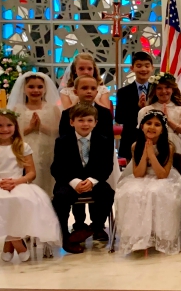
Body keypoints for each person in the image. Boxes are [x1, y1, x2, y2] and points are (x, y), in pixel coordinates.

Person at [0, 108, 62, 262]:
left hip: (17, 184)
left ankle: (10, 242)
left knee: (23, 201)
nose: (5, 129)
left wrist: (16, 181)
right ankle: (18, 244)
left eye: (9, 125)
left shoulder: (22, 146)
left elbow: (31, 173)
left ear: (15, 127)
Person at [114, 110, 181, 256]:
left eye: (157, 124)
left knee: (156, 191)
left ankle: (159, 235)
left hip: (164, 178)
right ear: (141, 126)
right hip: (142, 178)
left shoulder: (169, 146)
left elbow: (162, 175)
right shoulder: (136, 146)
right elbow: (138, 174)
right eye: (148, 123)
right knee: (132, 192)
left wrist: (152, 155)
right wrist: (145, 153)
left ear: (163, 129)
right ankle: (138, 236)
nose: (152, 127)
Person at [51, 104, 114, 253]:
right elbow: (57, 168)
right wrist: (75, 182)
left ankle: (94, 227)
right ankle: (66, 236)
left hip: (94, 180)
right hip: (70, 181)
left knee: (107, 193)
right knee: (61, 197)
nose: (85, 124)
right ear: (72, 122)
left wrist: (92, 181)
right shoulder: (62, 141)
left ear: (95, 122)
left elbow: (106, 166)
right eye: (81, 120)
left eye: (89, 120)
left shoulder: (103, 140)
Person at [138, 73, 181, 189]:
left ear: (173, 89)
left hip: (175, 145)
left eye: (167, 87)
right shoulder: (145, 110)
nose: (163, 91)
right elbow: (141, 132)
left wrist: (168, 121)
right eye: (159, 88)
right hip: (152, 145)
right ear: (154, 90)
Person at [7, 72, 61, 196]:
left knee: (47, 176)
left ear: (45, 89)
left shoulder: (53, 108)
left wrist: (41, 127)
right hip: (25, 149)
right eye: (31, 87)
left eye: (40, 87)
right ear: (24, 89)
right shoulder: (17, 109)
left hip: (48, 148)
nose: (35, 90)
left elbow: (58, 131)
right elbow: (11, 133)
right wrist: (30, 128)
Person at [116, 51, 155, 162]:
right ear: (132, 68)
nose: (143, 69)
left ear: (152, 68)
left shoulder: (157, 90)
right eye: (139, 66)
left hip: (153, 137)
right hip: (131, 137)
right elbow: (119, 118)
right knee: (132, 175)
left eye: (147, 66)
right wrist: (138, 108)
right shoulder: (123, 92)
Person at [58, 75, 113, 141]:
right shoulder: (67, 113)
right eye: (84, 88)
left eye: (93, 89)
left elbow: (109, 139)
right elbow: (63, 138)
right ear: (76, 92)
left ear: (96, 93)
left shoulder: (105, 113)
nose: (89, 91)